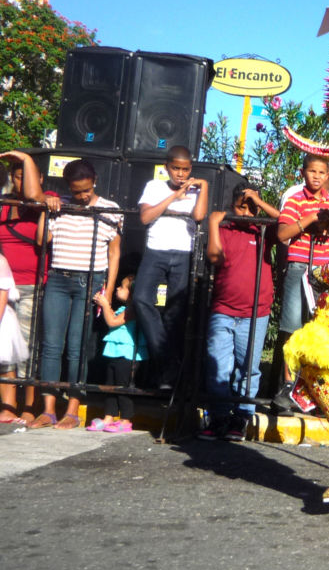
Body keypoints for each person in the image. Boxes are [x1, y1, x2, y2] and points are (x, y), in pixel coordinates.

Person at [33, 159, 122, 429]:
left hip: (90, 280)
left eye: (85, 190)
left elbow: (114, 251)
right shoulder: (59, 204)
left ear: (94, 180)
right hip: (59, 277)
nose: (82, 196)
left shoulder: (110, 209)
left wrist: (107, 288)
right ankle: (48, 409)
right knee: (50, 346)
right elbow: (41, 240)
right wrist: (45, 211)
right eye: (76, 191)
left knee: (77, 347)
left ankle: (72, 409)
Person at [201, 184, 279, 441]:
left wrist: (258, 202)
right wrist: (213, 225)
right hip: (223, 309)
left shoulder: (263, 231)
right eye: (240, 208)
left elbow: (283, 220)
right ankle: (219, 416)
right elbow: (214, 257)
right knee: (219, 367)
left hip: (255, 312)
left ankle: (241, 417)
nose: (245, 214)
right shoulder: (225, 229)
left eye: (251, 209)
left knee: (248, 368)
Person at [134, 146, 208, 390]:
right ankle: (168, 361)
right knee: (142, 298)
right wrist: (172, 200)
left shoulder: (195, 190)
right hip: (156, 251)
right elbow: (145, 218)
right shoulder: (154, 186)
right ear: (167, 167)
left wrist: (203, 187)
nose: (180, 174)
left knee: (175, 313)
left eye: (185, 169)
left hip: (183, 253)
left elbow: (198, 216)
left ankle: (165, 375)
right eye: (176, 168)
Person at [274, 154, 329, 403]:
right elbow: (282, 233)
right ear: (303, 172)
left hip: (326, 270)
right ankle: (288, 384)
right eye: (312, 172)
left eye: (321, 173)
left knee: (321, 330)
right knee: (292, 327)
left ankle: (316, 386)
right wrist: (308, 220)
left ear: (328, 176)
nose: (316, 177)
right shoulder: (295, 199)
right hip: (299, 267)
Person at [0, 150, 47, 422]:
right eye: (16, 177)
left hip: (31, 285)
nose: (20, 183)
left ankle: (28, 407)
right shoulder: (4, 203)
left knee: (27, 348)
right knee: (4, 347)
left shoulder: (45, 201)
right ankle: (8, 406)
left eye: (24, 176)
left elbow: (32, 196)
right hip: (5, 284)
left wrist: (26, 159)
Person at [89, 275, 146, 433]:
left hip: (127, 354)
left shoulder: (133, 310)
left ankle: (126, 419)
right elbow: (113, 317)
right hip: (115, 352)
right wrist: (105, 305)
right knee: (110, 384)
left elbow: (113, 322)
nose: (118, 289)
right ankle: (109, 416)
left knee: (123, 386)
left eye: (122, 287)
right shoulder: (123, 309)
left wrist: (105, 305)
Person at [0, 252, 29, 422]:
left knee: (5, 364)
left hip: (3, 320)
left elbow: (2, 296)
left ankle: (9, 406)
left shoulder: (1, 262)